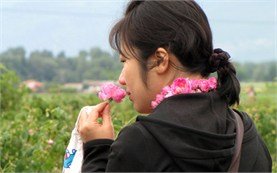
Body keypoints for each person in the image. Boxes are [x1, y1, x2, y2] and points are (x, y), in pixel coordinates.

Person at [78, 0, 272, 172]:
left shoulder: (141, 142)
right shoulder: (245, 133)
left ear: (160, 60)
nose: (121, 79)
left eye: (124, 61)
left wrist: (97, 147)